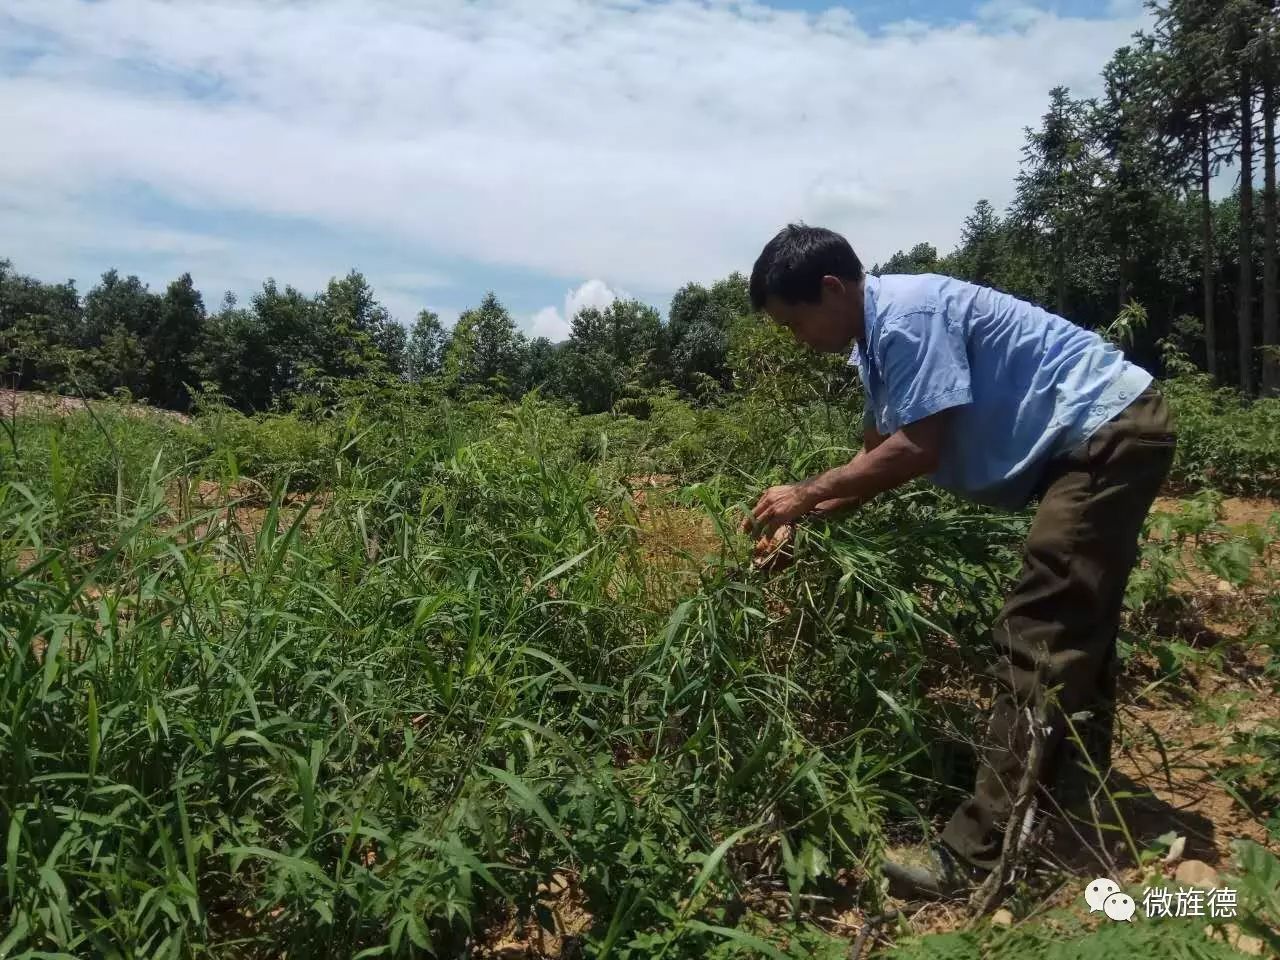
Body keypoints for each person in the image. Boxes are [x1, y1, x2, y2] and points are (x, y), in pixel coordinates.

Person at [742, 223, 1177, 900]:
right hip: (1102, 433)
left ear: (831, 289)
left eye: (796, 323)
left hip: (1104, 431)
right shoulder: (876, 347)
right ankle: (1069, 798)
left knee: (1040, 628)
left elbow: (919, 448)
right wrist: (806, 526)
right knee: (1075, 622)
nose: (798, 340)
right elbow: (873, 459)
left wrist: (802, 493)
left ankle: (973, 854)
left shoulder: (910, 317)